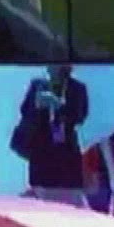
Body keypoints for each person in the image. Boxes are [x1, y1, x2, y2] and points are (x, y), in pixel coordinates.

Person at [12, 65, 89, 207]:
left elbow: (80, 116)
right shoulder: (38, 84)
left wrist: (59, 105)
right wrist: (37, 105)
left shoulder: (77, 88)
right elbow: (24, 111)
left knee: (69, 199)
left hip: (66, 152)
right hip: (41, 150)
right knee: (41, 197)